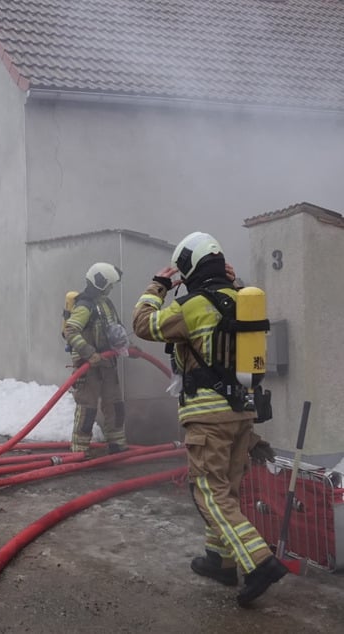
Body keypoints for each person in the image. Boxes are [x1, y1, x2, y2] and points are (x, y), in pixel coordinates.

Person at [132, 231, 286, 607]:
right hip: (242, 413)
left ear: (191, 265)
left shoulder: (193, 306)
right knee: (226, 490)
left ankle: (259, 562)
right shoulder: (240, 299)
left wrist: (158, 286)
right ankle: (220, 560)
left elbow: (143, 324)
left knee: (209, 493)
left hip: (208, 416)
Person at [62, 262, 130, 457]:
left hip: (107, 364)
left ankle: (116, 444)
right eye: (109, 284)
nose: (111, 288)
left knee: (115, 405)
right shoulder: (85, 305)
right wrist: (89, 353)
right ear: (100, 282)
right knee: (87, 409)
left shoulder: (106, 304)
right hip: (89, 366)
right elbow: (71, 331)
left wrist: (129, 346)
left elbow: (116, 329)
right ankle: (80, 450)